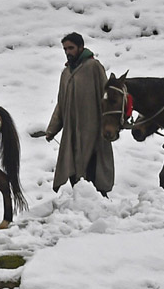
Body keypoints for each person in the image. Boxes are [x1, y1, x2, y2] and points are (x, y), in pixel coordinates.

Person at [45, 33, 114, 195]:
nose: (68, 52)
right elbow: (61, 104)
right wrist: (52, 129)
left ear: (80, 47)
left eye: (71, 48)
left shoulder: (93, 67)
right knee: (73, 167)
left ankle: (99, 204)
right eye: (65, 49)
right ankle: (80, 203)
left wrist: (110, 123)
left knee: (93, 168)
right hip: (72, 131)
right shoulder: (66, 73)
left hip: (92, 129)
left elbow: (107, 96)